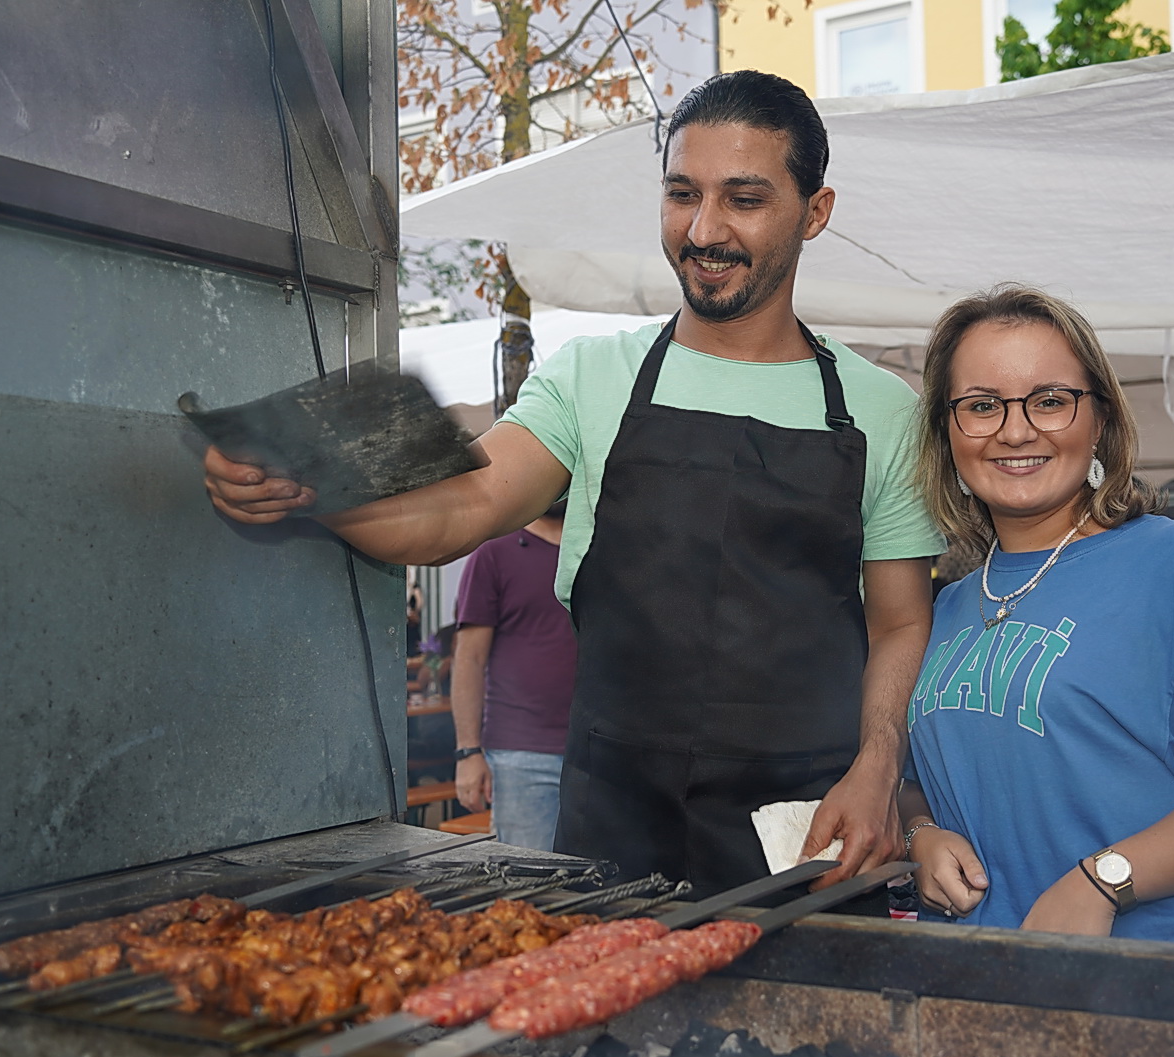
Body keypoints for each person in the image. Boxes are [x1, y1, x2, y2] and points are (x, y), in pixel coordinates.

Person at [203, 71, 943, 899]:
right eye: (682, 194)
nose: (704, 230)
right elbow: (464, 504)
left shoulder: (882, 409)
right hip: (612, 825)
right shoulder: (592, 375)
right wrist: (311, 487)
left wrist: (878, 766)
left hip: (804, 830)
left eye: (744, 199)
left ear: (814, 211)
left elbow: (902, 622)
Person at [897, 285, 1174, 945]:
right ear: (947, 432)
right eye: (981, 405)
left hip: (1149, 981)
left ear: (1099, 419)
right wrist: (921, 833)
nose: (1015, 430)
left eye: (1049, 400)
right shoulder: (947, 606)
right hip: (972, 973)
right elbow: (919, 779)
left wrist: (1106, 880)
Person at [450, 503, 577, 851]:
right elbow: (469, 658)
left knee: (601, 879)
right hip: (521, 757)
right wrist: (468, 753)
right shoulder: (494, 552)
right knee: (530, 877)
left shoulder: (596, 549)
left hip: (598, 752)